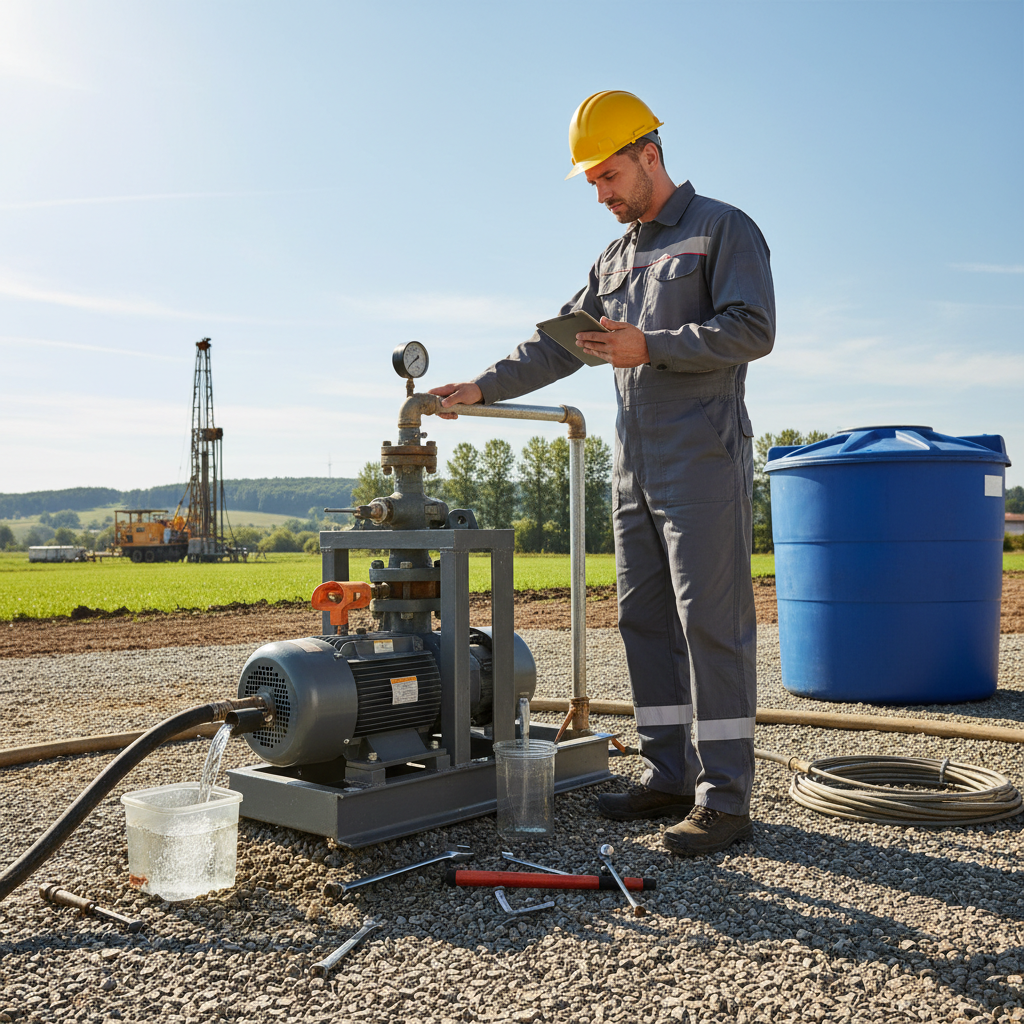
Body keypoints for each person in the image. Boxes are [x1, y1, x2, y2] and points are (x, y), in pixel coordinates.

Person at [429, 90, 775, 856]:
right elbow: (557, 345)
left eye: (609, 176)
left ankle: (727, 801)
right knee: (642, 620)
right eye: (591, 182)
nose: (601, 193)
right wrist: (481, 388)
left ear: (649, 155)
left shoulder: (723, 228)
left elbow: (753, 329)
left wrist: (651, 344)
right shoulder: (615, 258)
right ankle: (669, 777)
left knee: (713, 628)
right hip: (635, 466)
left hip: (704, 460)